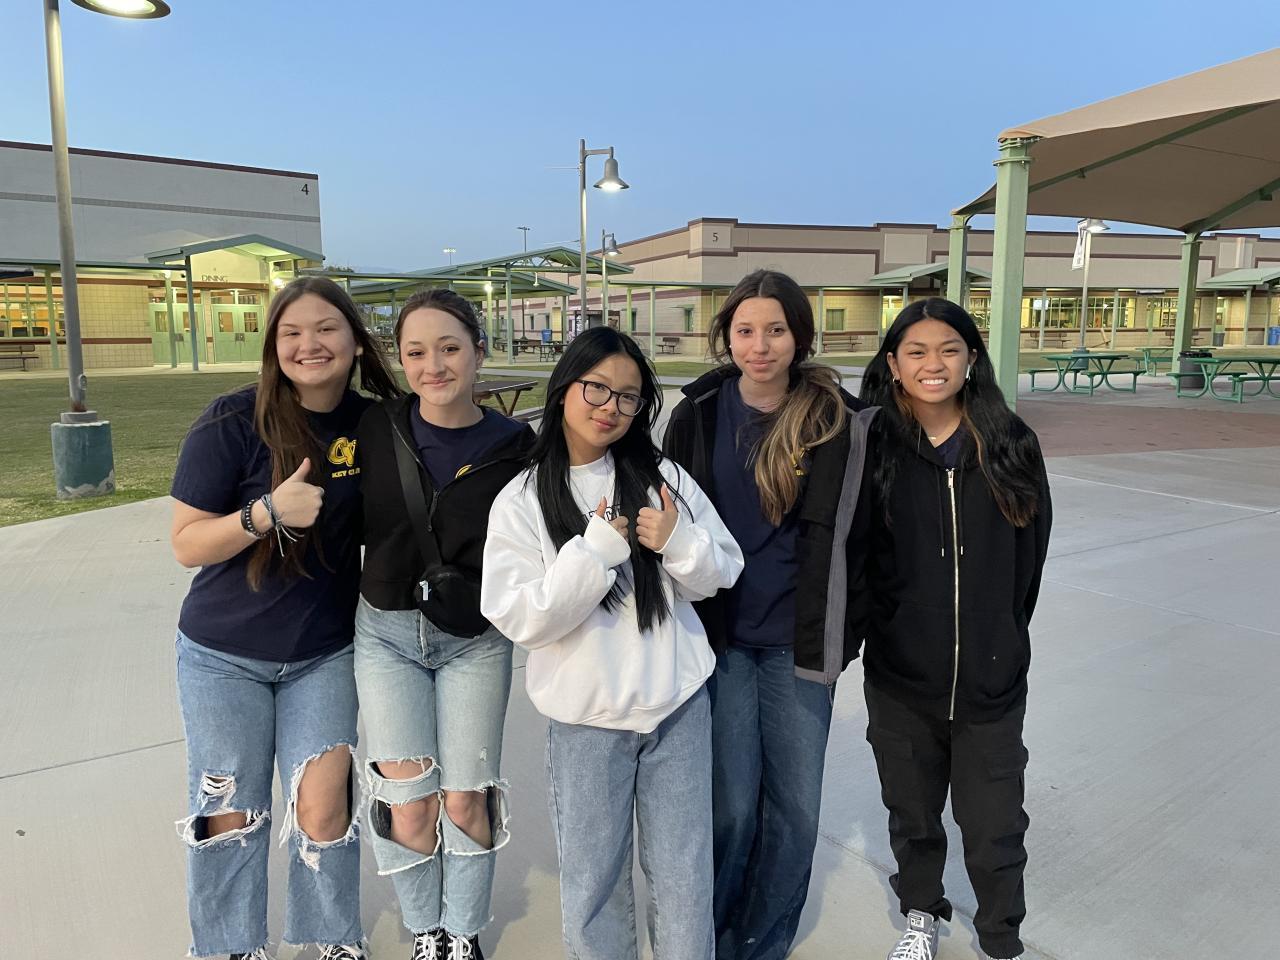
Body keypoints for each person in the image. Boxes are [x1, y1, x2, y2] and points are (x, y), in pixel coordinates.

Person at [480, 327, 744, 960]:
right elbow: (521, 617)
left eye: (628, 397)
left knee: (684, 875)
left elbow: (721, 572)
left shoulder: (662, 476)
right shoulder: (522, 498)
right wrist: (593, 554)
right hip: (587, 724)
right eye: (597, 388)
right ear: (564, 388)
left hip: (676, 710)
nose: (610, 408)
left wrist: (678, 543)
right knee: (593, 881)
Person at [169, 277, 401, 960]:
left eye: (326, 328)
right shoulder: (231, 420)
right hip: (222, 656)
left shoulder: (376, 425)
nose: (309, 344)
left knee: (324, 807)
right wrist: (265, 513)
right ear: (273, 345)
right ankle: (228, 945)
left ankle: (331, 937)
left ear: (355, 340)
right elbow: (186, 544)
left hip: (323, 654)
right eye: (291, 332)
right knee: (230, 810)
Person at [662, 268, 877, 960]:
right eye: (746, 330)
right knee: (729, 805)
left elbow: (867, 533)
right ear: (727, 337)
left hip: (799, 644)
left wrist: (853, 624)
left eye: (776, 330)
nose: (760, 346)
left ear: (799, 337)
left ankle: (762, 943)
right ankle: (712, 936)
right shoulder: (697, 415)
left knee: (794, 810)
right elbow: (669, 522)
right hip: (720, 639)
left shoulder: (837, 420)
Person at [856, 297, 1052, 960]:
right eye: (916, 351)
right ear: (893, 363)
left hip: (990, 686)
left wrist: (1000, 639)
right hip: (901, 681)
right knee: (912, 814)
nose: (933, 364)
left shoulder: (1011, 445)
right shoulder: (873, 445)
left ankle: (1000, 937)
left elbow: (1029, 564)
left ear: (971, 358)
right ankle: (922, 914)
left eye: (949, 349)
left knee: (996, 824)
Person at [354, 289, 534, 960]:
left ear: (479, 352)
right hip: (386, 636)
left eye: (450, 348)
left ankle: (462, 933)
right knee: (410, 804)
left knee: (465, 799)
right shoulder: (376, 428)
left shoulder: (515, 445)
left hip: (475, 641)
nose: (434, 366)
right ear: (400, 361)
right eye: (416, 352)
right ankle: (425, 931)